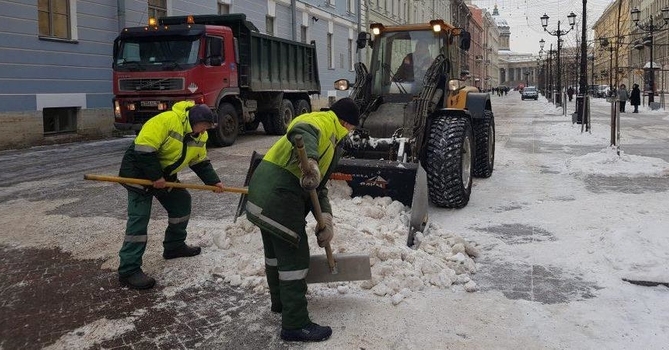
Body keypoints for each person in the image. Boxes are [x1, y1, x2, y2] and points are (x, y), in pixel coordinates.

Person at [245, 98, 359, 342]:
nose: (350, 133)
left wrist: (326, 219)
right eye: (352, 128)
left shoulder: (333, 143)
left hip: (263, 196)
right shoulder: (323, 121)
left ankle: (281, 303)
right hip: (279, 196)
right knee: (294, 259)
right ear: (346, 123)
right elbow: (300, 129)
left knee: (275, 255)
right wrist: (313, 162)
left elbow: (319, 188)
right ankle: (295, 324)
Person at [117, 102, 226, 290]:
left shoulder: (200, 135)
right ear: (196, 120)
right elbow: (143, 149)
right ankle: (129, 270)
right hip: (137, 174)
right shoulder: (167, 120)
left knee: (181, 202)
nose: (205, 131)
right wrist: (155, 176)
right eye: (205, 126)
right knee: (139, 219)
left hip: (163, 176)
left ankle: (174, 246)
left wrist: (213, 181)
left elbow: (200, 161)